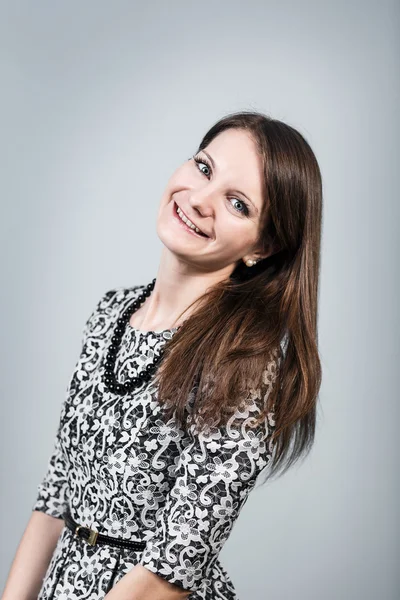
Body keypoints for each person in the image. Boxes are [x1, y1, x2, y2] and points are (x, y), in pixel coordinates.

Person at [2, 110, 323, 600]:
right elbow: (55, 498)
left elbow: (172, 568)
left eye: (237, 203)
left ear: (264, 246)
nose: (199, 200)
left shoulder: (242, 360)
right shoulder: (109, 313)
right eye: (204, 167)